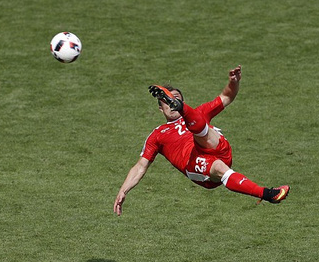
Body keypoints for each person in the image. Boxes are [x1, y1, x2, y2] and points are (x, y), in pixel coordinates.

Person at [113, 65, 289, 216]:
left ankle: (189, 116)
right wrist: (123, 190)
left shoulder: (198, 113)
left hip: (216, 148)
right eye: (168, 101)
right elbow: (140, 166)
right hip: (194, 163)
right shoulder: (157, 135)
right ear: (161, 109)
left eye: (176, 100)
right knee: (219, 165)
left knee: (200, 122)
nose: (171, 103)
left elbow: (226, 97)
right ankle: (268, 194)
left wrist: (233, 82)